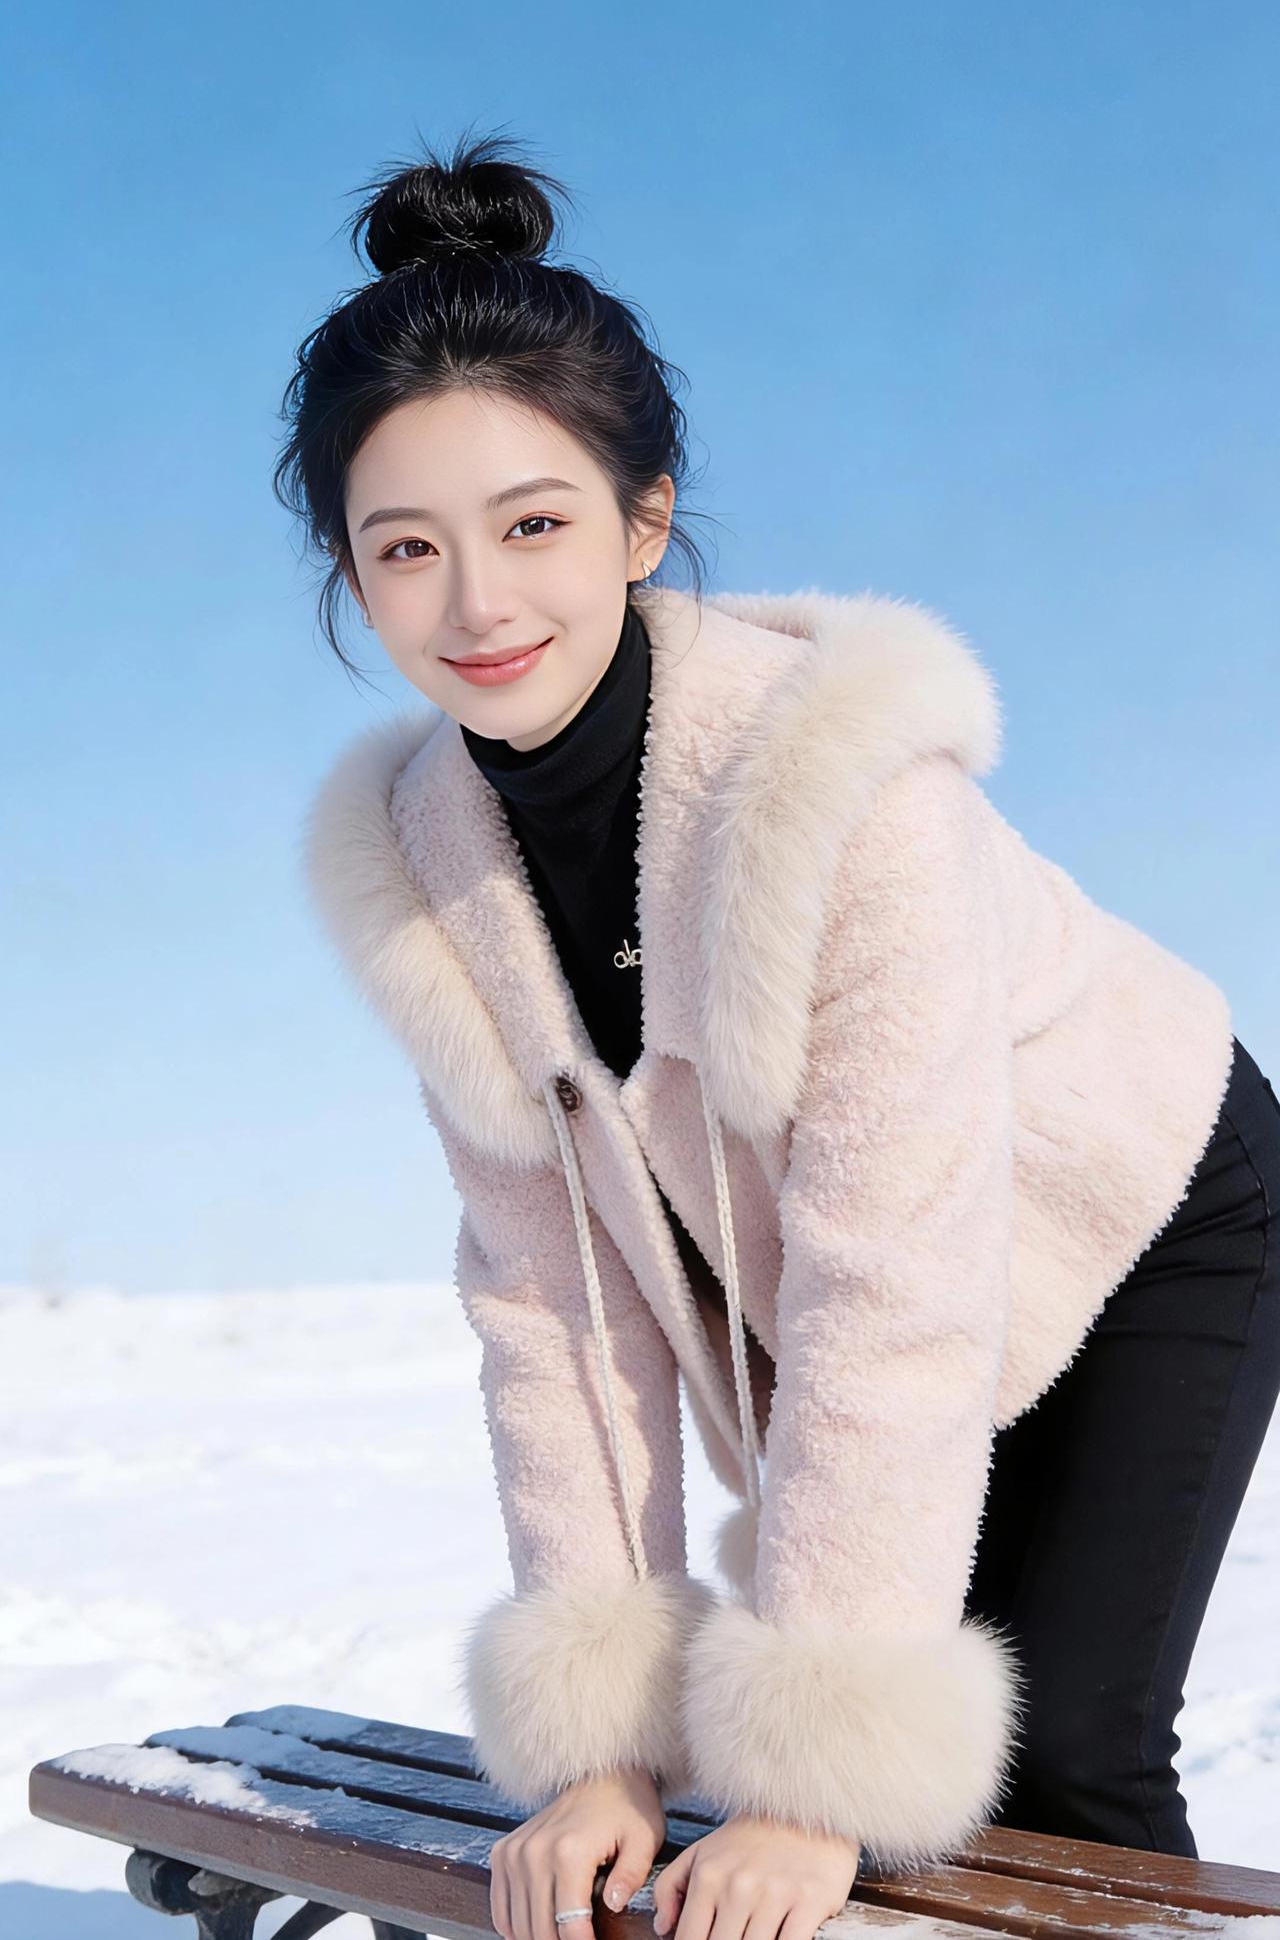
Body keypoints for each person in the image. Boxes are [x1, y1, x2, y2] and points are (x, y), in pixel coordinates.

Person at [278, 130, 1280, 1940]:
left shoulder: (839, 787)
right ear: (354, 578)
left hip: (1151, 1203)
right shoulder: (428, 868)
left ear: (643, 522)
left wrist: (816, 1776)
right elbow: (553, 1312)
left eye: (534, 525)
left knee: (1062, 1752)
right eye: (406, 548)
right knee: (856, 1806)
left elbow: (893, 1282)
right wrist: (603, 1744)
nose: (478, 603)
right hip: (892, 1274)